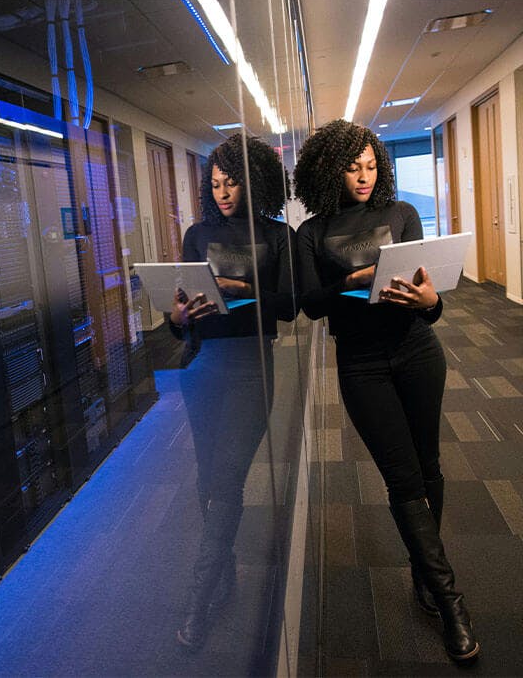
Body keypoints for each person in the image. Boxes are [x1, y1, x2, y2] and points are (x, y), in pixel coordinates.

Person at [293, 119, 479, 662]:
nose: (365, 176)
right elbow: (310, 304)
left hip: (417, 350)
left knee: (429, 464)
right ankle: (450, 602)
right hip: (361, 363)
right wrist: (351, 282)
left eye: (372, 166)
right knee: (402, 479)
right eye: (353, 167)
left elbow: (430, 300)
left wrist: (431, 302)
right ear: (331, 170)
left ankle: (425, 573)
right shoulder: (312, 232)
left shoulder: (401, 214)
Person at [168, 135, 296, 649]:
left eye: (232, 182)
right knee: (207, 481)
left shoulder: (277, 235)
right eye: (216, 183)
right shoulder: (196, 235)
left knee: (226, 481)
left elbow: (290, 307)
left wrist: (244, 289)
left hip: (250, 368)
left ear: (254, 181)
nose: (222, 192)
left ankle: (198, 600)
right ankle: (224, 573)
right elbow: (180, 316)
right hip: (202, 366)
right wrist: (178, 317)